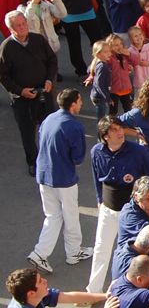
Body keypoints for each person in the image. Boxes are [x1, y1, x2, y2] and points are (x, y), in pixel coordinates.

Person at [86, 118, 149, 295]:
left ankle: (125, 291)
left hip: (132, 213)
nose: (120, 132)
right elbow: (97, 176)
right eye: (114, 130)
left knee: (133, 251)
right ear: (105, 136)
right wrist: (99, 199)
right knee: (101, 248)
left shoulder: (138, 152)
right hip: (108, 208)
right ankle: (93, 292)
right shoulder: (96, 152)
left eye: (120, 128)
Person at [28, 89, 92, 274]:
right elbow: (78, 159)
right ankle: (73, 252)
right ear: (73, 104)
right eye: (80, 101)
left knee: (53, 215)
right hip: (64, 178)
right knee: (70, 214)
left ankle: (40, 252)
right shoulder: (75, 126)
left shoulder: (49, 119)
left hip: (44, 175)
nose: (81, 104)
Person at [0, 10, 56, 174]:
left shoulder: (38, 39)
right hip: (23, 99)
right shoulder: (6, 48)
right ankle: (33, 161)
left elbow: (52, 60)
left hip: (44, 95)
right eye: (18, 25)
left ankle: (50, 159)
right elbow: (3, 76)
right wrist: (20, 91)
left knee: (49, 129)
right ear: (11, 29)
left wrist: (48, 80)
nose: (23, 27)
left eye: (24, 23)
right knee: (27, 132)